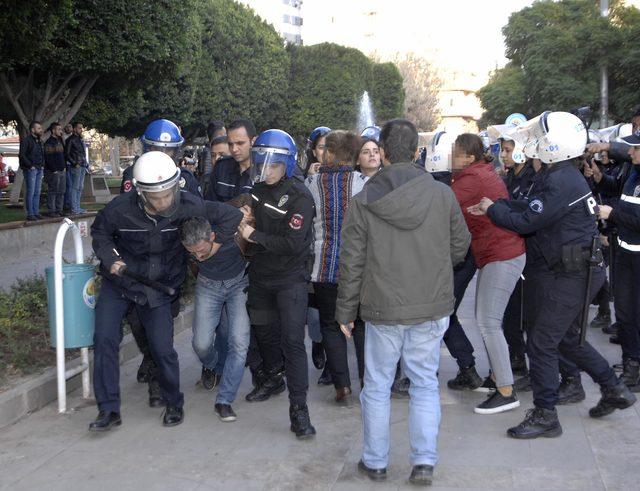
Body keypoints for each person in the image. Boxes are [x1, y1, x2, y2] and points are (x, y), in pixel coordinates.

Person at [470, 111, 636, 439]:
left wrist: (493, 209)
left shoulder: (561, 178)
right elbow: (532, 207)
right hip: (573, 270)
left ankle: (546, 413)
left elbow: (527, 222)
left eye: (542, 140)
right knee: (565, 339)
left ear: (555, 145)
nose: (535, 145)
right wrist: (498, 206)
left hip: (574, 273)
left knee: (543, 341)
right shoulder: (558, 174)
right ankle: (614, 388)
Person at [336, 119, 471, 485]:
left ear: (380, 152)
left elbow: (352, 262)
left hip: (382, 309)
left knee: (377, 386)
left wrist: (345, 311)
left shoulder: (363, 201)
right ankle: (424, 463)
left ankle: (375, 462)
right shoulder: (442, 194)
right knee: (425, 384)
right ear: (417, 152)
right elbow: (460, 246)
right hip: (430, 306)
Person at [90, 151, 208, 431]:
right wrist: (110, 257)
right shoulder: (119, 209)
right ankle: (108, 410)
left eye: (169, 193)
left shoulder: (191, 206)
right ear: (141, 193)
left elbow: (218, 219)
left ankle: (174, 402)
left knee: (162, 347)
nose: (165, 201)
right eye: (157, 197)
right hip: (119, 282)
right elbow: (100, 233)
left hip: (158, 286)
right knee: (104, 339)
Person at [237, 129, 316, 438]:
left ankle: (299, 410)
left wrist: (253, 236)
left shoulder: (300, 196)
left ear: (287, 164)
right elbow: (247, 214)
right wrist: (242, 215)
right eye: (262, 163)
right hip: (260, 277)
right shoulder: (256, 189)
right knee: (265, 335)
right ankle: (273, 377)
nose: (266, 170)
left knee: (293, 342)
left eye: (273, 164)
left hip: (290, 280)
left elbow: (294, 244)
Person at [451, 134, 525, 414]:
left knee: (488, 322)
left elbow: (442, 202)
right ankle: (497, 378)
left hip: (502, 254)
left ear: (468, 157)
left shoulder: (472, 179)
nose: (451, 157)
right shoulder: (476, 172)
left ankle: (506, 391)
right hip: (496, 253)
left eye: (455, 153)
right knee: (488, 319)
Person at [306, 130, 365, 402]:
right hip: (358, 267)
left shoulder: (313, 183)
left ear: (330, 153)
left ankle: (341, 384)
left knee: (331, 325)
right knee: (362, 324)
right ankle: (367, 379)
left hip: (323, 266)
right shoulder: (363, 183)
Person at [180, 208, 248, 422]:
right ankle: (214, 365)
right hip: (208, 286)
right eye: (192, 252)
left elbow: (235, 215)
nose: (198, 256)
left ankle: (224, 400)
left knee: (238, 343)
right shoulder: (192, 244)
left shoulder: (230, 232)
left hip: (239, 285)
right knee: (201, 344)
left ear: (212, 237)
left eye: (202, 250)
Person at [588, 128, 640, 390]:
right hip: (624, 254)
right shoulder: (632, 172)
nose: (631, 152)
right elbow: (616, 191)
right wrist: (598, 177)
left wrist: (613, 215)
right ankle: (631, 365)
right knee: (626, 314)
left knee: (636, 314)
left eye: (636, 148)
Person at [206, 119, 256, 201]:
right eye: (230, 144)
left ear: (253, 141)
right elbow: (209, 206)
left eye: (240, 143)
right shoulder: (221, 167)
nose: (234, 149)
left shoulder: (264, 173)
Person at [19, 120, 44, 220]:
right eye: (38, 128)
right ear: (32, 130)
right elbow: (22, 155)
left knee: (37, 191)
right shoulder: (26, 140)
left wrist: (42, 165)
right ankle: (30, 214)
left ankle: (36, 212)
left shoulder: (39, 141)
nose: (41, 130)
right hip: (31, 169)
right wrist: (30, 165)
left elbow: (41, 154)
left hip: (39, 168)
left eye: (41, 128)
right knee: (31, 191)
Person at [64, 121, 88, 215]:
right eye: (79, 128)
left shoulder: (80, 139)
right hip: (76, 166)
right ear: (74, 129)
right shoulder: (70, 140)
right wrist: (74, 163)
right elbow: (67, 154)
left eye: (81, 128)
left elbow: (82, 153)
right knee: (75, 187)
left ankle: (77, 207)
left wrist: (85, 164)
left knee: (80, 187)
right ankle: (74, 208)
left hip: (82, 165)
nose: (81, 130)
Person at [43, 122, 67, 217]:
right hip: (53, 171)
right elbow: (48, 158)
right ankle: (51, 211)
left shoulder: (60, 141)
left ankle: (59, 209)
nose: (60, 131)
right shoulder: (49, 142)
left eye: (61, 129)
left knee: (61, 191)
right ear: (53, 130)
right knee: (53, 191)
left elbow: (63, 155)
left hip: (62, 170)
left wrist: (64, 167)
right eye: (58, 129)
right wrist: (54, 170)